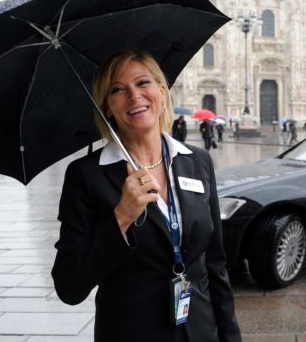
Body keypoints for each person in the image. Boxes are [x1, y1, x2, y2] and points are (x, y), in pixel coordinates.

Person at [51, 50, 241, 342]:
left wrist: (230, 337)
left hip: (201, 330)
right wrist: (121, 218)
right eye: (117, 89)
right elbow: (69, 286)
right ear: (107, 106)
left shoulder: (197, 161)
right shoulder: (87, 176)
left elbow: (215, 263)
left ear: (161, 91)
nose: (134, 96)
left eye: (142, 83)